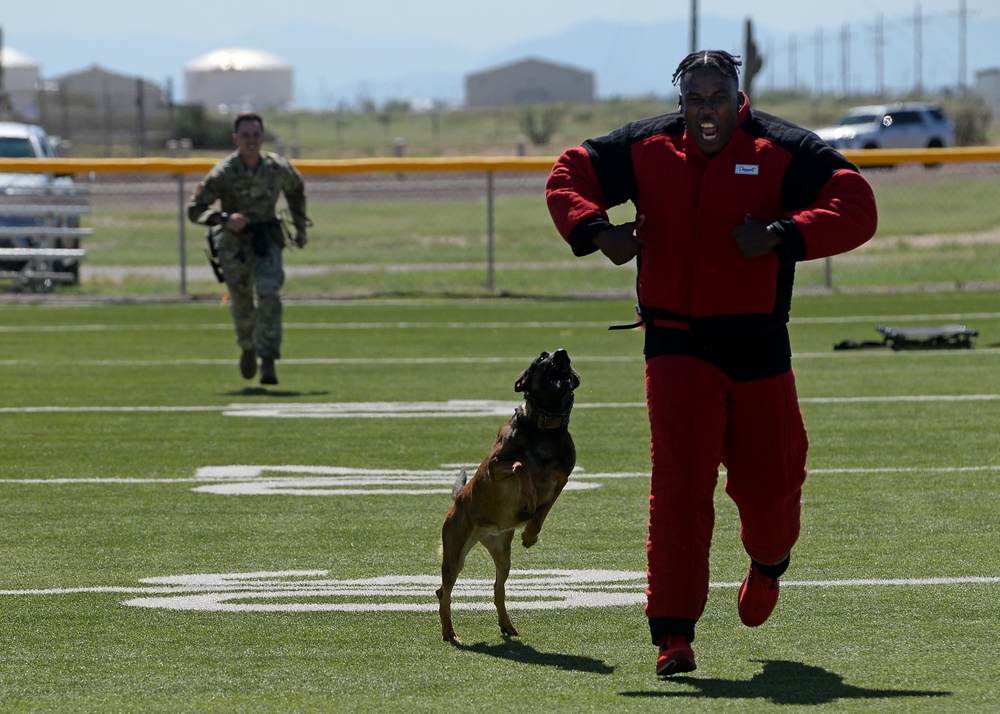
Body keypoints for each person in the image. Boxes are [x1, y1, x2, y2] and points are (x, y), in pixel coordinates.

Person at [545, 50, 878, 676]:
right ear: (680, 102)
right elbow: (569, 175)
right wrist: (596, 231)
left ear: (737, 98)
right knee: (679, 486)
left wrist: (783, 233)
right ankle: (673, 634)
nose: (705, 110)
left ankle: (768, 564)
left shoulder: (782, 147)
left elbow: (857, 204)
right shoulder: (644, 146)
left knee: (773, 483)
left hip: (757, 344)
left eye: (717, 98)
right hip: (675, 344)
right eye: (694, 99)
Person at [188, 111, 310, 386]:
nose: (251, 141)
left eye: (256, 135)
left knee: (268, 293)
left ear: (262, 137)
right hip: (234, 246)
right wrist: (223, 219)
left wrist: (300, 227)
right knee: (243, 304)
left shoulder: (277, 167)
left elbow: (296, 189)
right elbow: (194, 209)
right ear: (236, 138)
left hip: (266, 239)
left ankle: (268, 359)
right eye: (246, 136)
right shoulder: (223, 172)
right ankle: (247, 346)